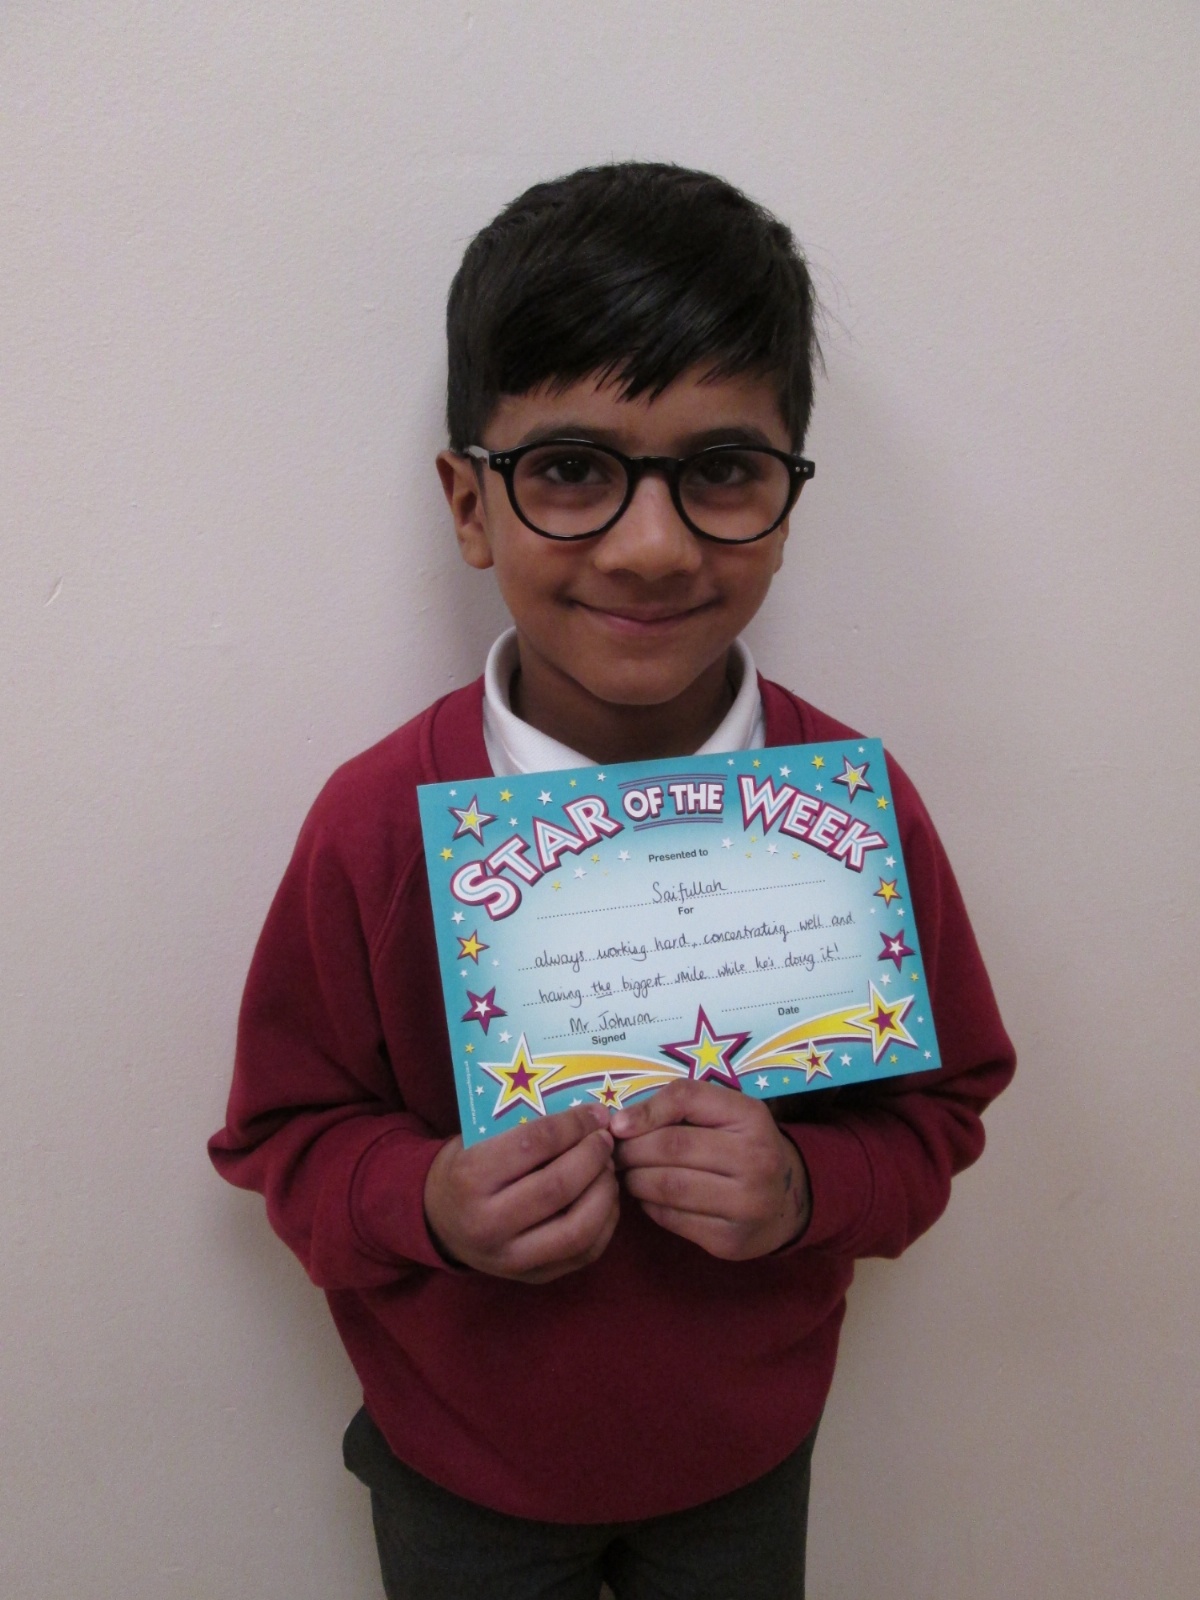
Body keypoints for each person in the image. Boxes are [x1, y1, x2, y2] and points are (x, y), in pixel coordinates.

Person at [209, 162, 1015, 1599]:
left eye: (722, 468)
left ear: (789, 496)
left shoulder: (859, 813)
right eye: (573, 469)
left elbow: (939, 1111)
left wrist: (807, 1185)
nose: (652, 547)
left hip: (745, 1460)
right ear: (471, 504)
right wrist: (428, 1202)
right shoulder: (376, 826)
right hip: (458, 1466)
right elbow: (285, 1133)